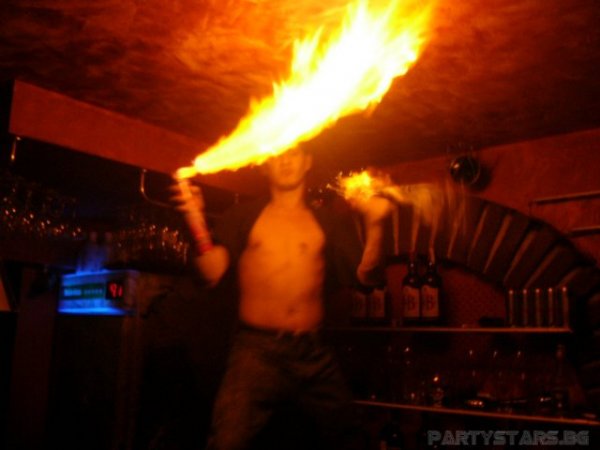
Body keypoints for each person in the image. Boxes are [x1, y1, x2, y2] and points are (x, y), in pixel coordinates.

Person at [172, 146, 392, 450]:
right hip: (256, 352)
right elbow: (212, 272)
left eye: (295, 153)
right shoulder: (243, 215)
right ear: (264, 165)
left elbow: (368, 278)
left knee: (350, 438)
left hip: (314, 352)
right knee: (226, 441)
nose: (286, 160)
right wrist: (194, 217)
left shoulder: (327, 221)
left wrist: (376, 225)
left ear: (308, 162)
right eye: (277, 154)